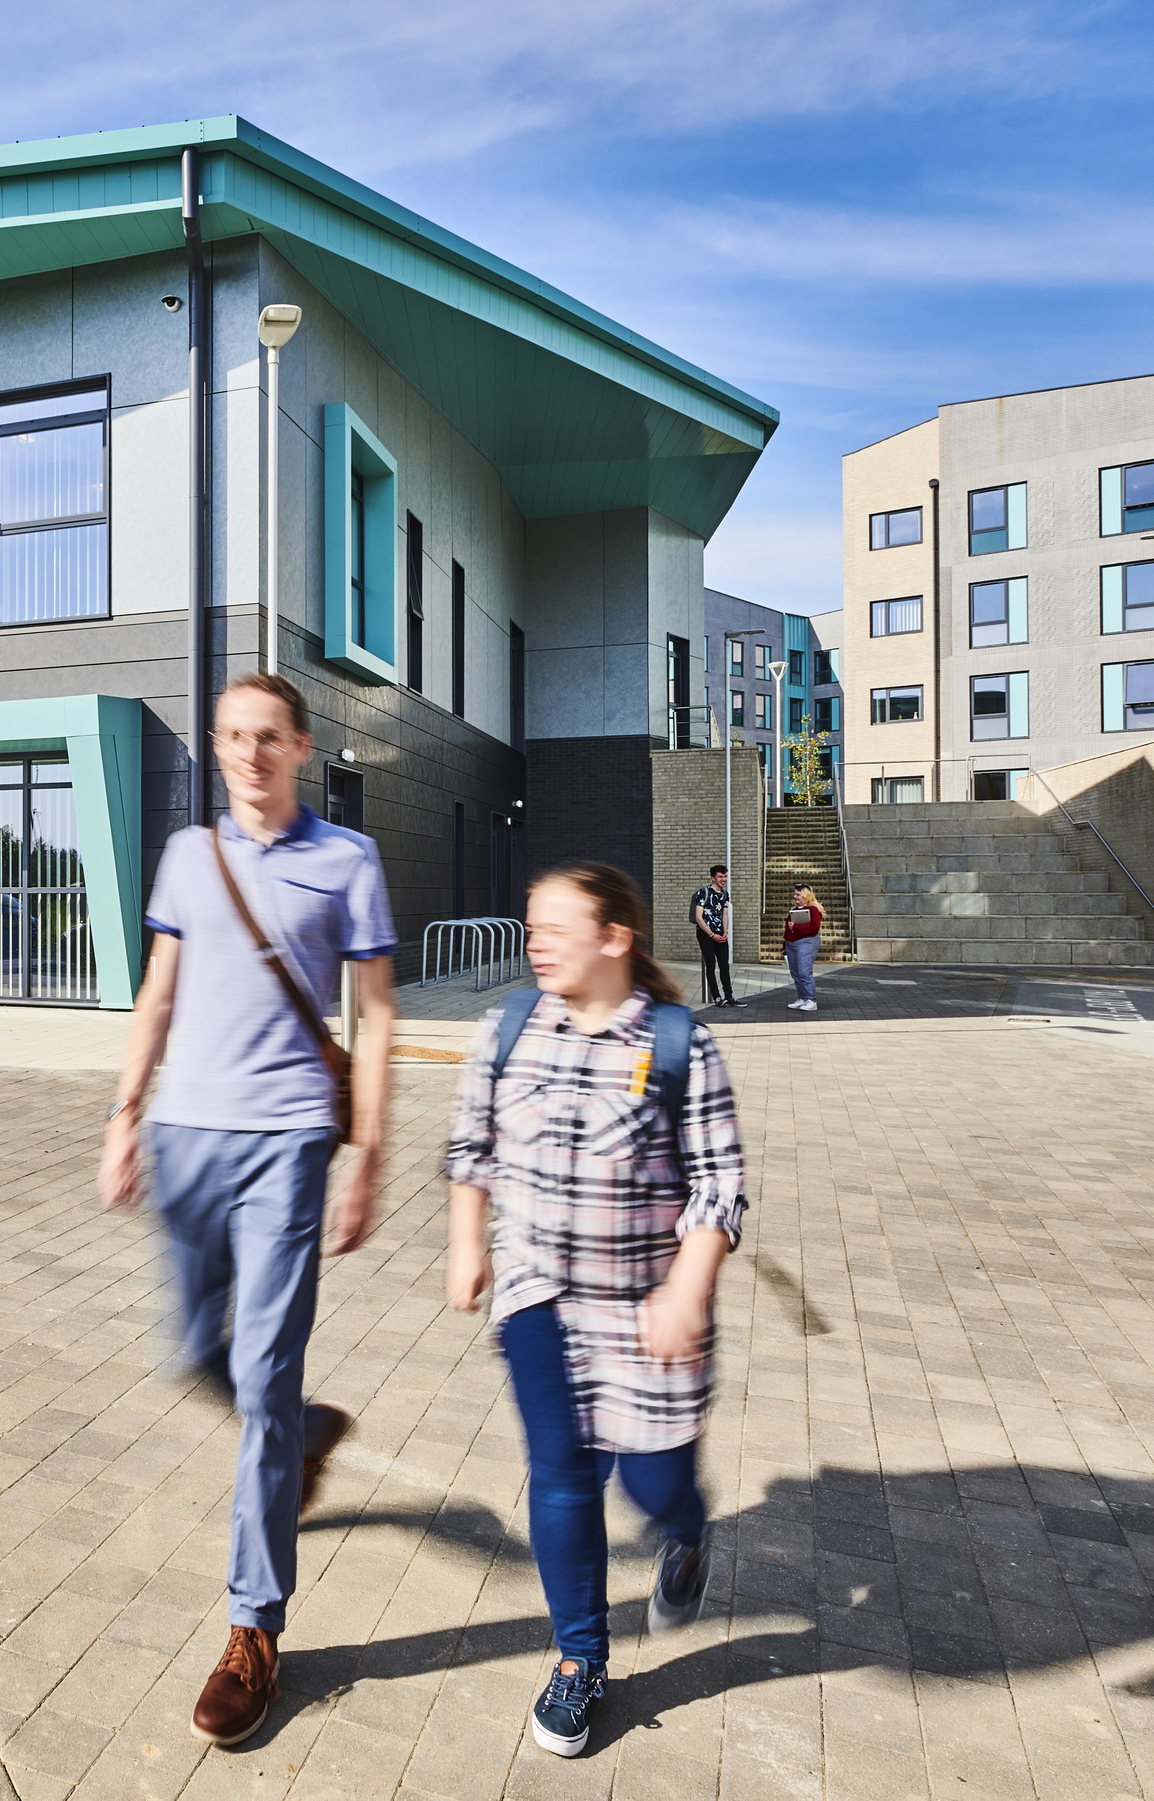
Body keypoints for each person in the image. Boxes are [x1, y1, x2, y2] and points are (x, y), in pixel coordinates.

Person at [98, 672, 396, 1749]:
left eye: (267, 735)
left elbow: (374, 1012)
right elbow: (157, 990)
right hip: (184, 1137)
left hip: (286, 1148)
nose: (249, 752)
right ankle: (307, 1434)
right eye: (232, 736)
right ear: (217, 748)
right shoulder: (190, 855)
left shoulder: (345, 861)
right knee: (186, 1352)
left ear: (301, 746)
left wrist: (367, 1152)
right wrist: (123, 1112)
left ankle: (250, 1626)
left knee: (264, 1375)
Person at [446, 861, 746, 1760]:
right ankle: (581, 1660)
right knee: (562, 1476)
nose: (533, 941)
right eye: (529, 925)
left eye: (554, 926)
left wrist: (686, 1290)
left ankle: (686, 1534)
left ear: (614, 937)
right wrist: (468, 1244)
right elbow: (470, 1148)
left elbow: (719, 1188)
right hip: (536, 1294)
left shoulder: (674, 1043)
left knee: (651, 1484)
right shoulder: (507, 1028)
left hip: (647, 1309)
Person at [688, 865, 735, 1008]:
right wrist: (712, 934)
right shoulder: (703, 892)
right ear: (713, 878)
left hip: (720, 933)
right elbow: (698, 917)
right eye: (720, 876)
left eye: (725, 876)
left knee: (724, 965)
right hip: (705, 933)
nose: (724, 879)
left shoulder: (725, 894)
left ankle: (729, 996)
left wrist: (725, 931)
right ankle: (717, 997)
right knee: (711, 964)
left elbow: (725, 914)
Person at [783, 886, 824, 1013]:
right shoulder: (794, 910)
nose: (795, 897)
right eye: (794, 894)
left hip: (806, 942)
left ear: (806, 896)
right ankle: (803, 998)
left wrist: (796, 928)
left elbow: (814, 928)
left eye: (797, 895)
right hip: (792, 944)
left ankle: (811, 1000)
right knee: (795, 973)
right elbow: (788, 930)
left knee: (804, 972)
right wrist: (785, 946)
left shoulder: (813, 910)